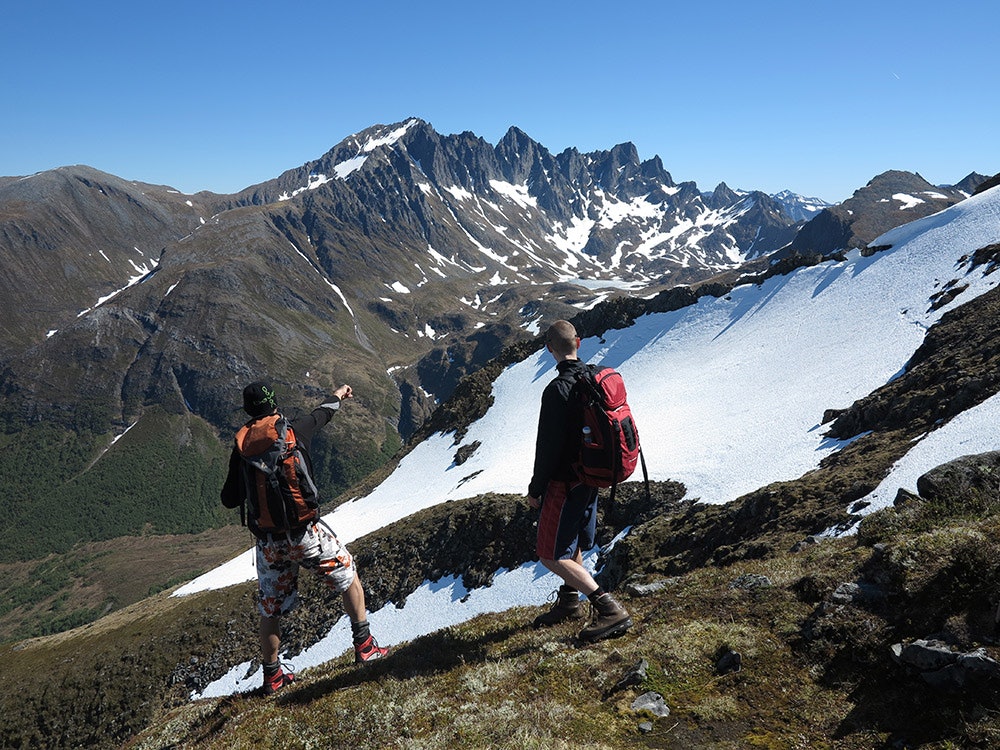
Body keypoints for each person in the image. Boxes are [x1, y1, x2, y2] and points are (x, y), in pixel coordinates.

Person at [221, 380, 388, 695]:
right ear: (274, 403)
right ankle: (365, 647)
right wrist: (338, 395)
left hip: (269, 544)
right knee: (348, 575)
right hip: (305, 534)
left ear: (248, 410)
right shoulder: (293, 431)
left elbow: (229, 499)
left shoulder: (241, 447)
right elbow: (322, 414)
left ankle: (272, 677)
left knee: (270, 607)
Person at [527, 320, 632, 642]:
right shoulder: (595, 378)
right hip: (591, 476)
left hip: (564, 481)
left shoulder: (557, 390)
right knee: (570, 544)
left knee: (550, 554)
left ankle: (608, 608)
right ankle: (570, 602)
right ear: (579, 342)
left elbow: (547, 447)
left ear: (549, 349)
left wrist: (536, 489)